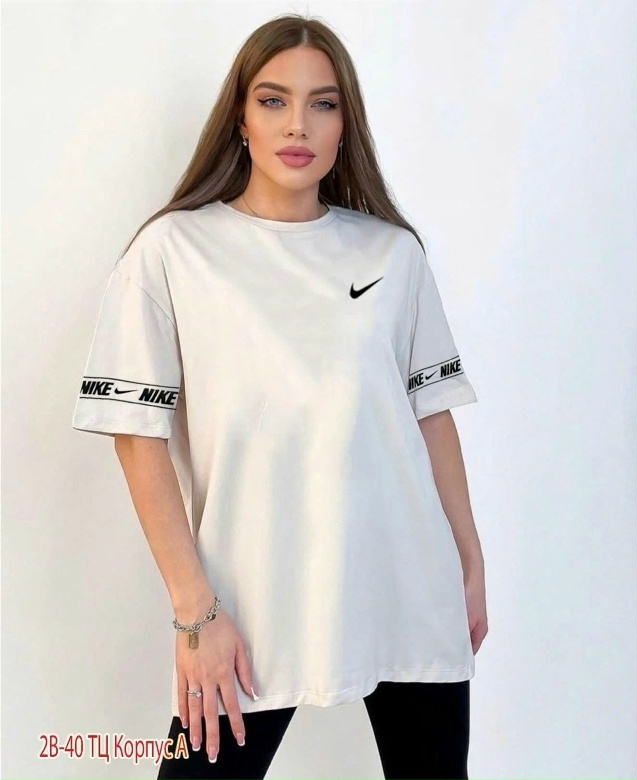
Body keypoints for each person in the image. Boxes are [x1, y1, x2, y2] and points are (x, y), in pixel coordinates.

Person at [71, 12, 488, 780]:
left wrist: (469, 562)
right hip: (245, 608)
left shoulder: (393, 255)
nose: (298, 124)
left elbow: (430, 416)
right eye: (273, 100)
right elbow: (136, 436)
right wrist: (195, 611)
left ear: (344, 123)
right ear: (240, 118)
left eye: (323, 104)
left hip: (410, 590)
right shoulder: (172, 251)